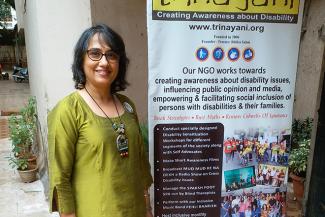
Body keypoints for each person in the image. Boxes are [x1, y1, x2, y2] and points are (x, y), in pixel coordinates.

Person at [48, 24, 153, 217]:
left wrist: (147, 208)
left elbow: (139, 162)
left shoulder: (127, 105)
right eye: (95, 53)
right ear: (81, 59)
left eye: (112, 55)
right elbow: (60, 177)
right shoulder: (69, 109)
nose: (104, 62)